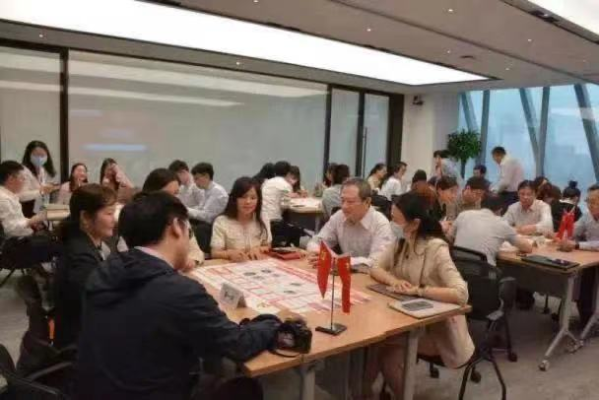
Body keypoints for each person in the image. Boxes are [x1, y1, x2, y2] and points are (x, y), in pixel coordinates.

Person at [76, 192, 280, 400]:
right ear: (175, 227)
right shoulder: (180, 292)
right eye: (188, 232)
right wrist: (273, 322)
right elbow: (238, 344)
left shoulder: (104, 270)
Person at [363, 192, 474, 398]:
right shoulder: (401, 241)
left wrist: (419, 290)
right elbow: (375, 268)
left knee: (382, 351)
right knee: (373, 343)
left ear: (414, 223)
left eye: (396, 220)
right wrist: (393, 281)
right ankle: (362, 393)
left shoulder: (436, 248)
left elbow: (461, 294)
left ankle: (383, 394)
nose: (392, 224)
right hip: (406, 319)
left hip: (439, 331)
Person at [54, 184, 117, 348]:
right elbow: (97, 308)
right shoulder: (82, 260)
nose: (114, 219)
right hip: (81, 346)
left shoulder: (78, 241)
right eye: (109, 213)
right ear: (85, 217)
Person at [306, 178, 394, 266]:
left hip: (366, 273)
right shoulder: (339, 216)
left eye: (350, 202)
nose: (344, 206)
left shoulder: (380, 223)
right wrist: (319, 253)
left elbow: (377, 263)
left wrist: (338, 261)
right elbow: (316, 241)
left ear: (367, 202)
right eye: (342, 200)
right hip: (342, 270)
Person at [142, 168, 205, 268]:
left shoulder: (180, 217)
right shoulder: (138, 217)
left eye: (176, 193)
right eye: (167, 194)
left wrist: (192, 260)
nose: (173, 198)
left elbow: (196, 251)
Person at [556, 185, 599, 326]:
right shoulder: (587, 216)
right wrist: (561, 237)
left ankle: (588, 318)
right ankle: (576, 316)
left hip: (594, 258)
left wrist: (577, 245)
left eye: (594, 202)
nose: (590, 205)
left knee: (586, 276)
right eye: (588, 201)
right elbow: (573, 230)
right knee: (574, 272)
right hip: (591, 259)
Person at [449, 194, 533, 266]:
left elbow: (449, 238)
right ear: (500, 210)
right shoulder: (502, 224)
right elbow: (527, 248)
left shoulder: (463, 215)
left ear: (480, 204)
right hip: (484, 273)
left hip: (457, 269)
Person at [211, 177, 272, 261]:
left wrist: (258, 249)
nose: (248, 202)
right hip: (232, 264)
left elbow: (268, 245)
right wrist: (229, 254)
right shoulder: (221, 221)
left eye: (253, 198)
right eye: (243, 197)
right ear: (235, 199)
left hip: (257, 263)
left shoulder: (263, 218)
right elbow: (215, 253)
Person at [0, 161, 47, 237]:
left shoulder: (10, 195)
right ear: (11, 179)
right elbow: (10, 229)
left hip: (25, 236)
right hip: (17, 241)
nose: (24, 181)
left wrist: (30, 222)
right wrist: (32, 221)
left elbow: (16, 220)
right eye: (22, 178)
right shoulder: (3, 199)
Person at [261, 161, 302, 246]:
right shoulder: (286, 185)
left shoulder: (267, 182)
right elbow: (284, 206)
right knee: (296, 231)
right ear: (288, 173)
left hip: (261, 218)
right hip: (274, 221)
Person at [19, 140, 60, 215]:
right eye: (36, 155)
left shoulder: (42, 169)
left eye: (42, 155)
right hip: (27, 209)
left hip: (39, 208)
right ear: (29, 155)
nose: (39, 158)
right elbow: (21, 196)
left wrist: (49, 187)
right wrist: (41, 191)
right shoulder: (23, 171)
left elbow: (40, 187)